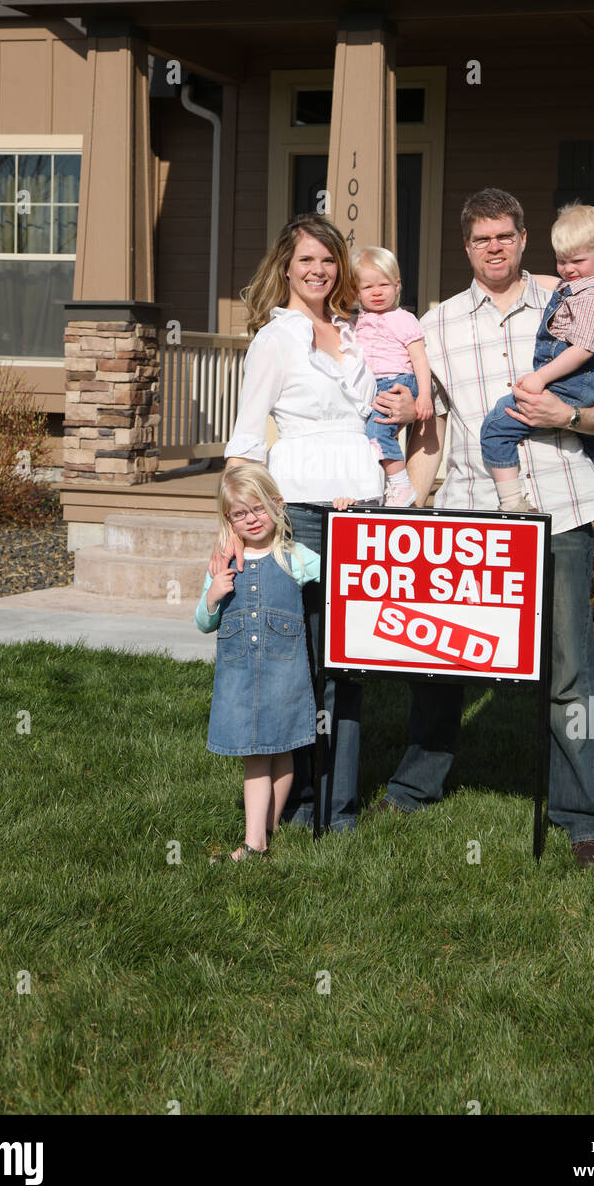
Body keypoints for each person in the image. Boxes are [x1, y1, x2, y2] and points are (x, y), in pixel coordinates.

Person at [371, 188, 594, 868]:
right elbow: (434, 430)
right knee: (439, 661)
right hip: (467, 514)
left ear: (524, 239)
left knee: (571, 670)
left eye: (505, 235)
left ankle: (585, 819)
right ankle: (413, 786)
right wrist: (407, 491)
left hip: (559, 508)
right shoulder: (435, 323)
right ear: (466, 248)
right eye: (481, 238)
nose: (494, 247)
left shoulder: (569, 299)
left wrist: (567, 417)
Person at [214, 214, 404, 833]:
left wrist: (402, 406)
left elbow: (376, 417)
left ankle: (338, 809)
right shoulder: (277, 339)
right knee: (298, 665)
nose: (319, 271)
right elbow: (245, 441)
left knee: (349, 664)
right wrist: (232, 531)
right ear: (286, 268)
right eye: (307, 262)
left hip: (364, 514)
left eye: (329, 261)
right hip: (299, 517)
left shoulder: (354, 335)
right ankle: (296, 805)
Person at [479, 203, 594, 545]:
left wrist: (541, 378)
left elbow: (583, 348)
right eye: (562, 261)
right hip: (591, 387)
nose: (568, 269)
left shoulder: (591, 299)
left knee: (496, 426)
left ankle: (512, 502)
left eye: (577, 262)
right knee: (590, 441)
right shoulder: (584, 286)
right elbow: (555, 283)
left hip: (570, 385)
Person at [195, 465, 322, 861]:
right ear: (228, 519)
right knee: (256, 755)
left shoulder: (294, 558)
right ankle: (261, 834)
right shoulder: (223, 565)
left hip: (284, 675)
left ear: (277, 505)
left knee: (281, 750)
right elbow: (203, 622)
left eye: (259, 509)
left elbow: (339, 573)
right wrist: (213, 595)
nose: (251, 519)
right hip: (239, 678)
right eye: (240, 513)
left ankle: (258, 840)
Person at [352, 246, 434, 506]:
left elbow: (419, 358)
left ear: (397, 285)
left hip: (398, 382)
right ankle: (383, 483)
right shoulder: (357, 322)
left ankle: (401, 485)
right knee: (368, 435)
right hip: (372, 386)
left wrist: (425, 397)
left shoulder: (403, 318)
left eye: (384, 284)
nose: (376, 292)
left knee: (377, 432)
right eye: (367, 287)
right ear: (356, 291)